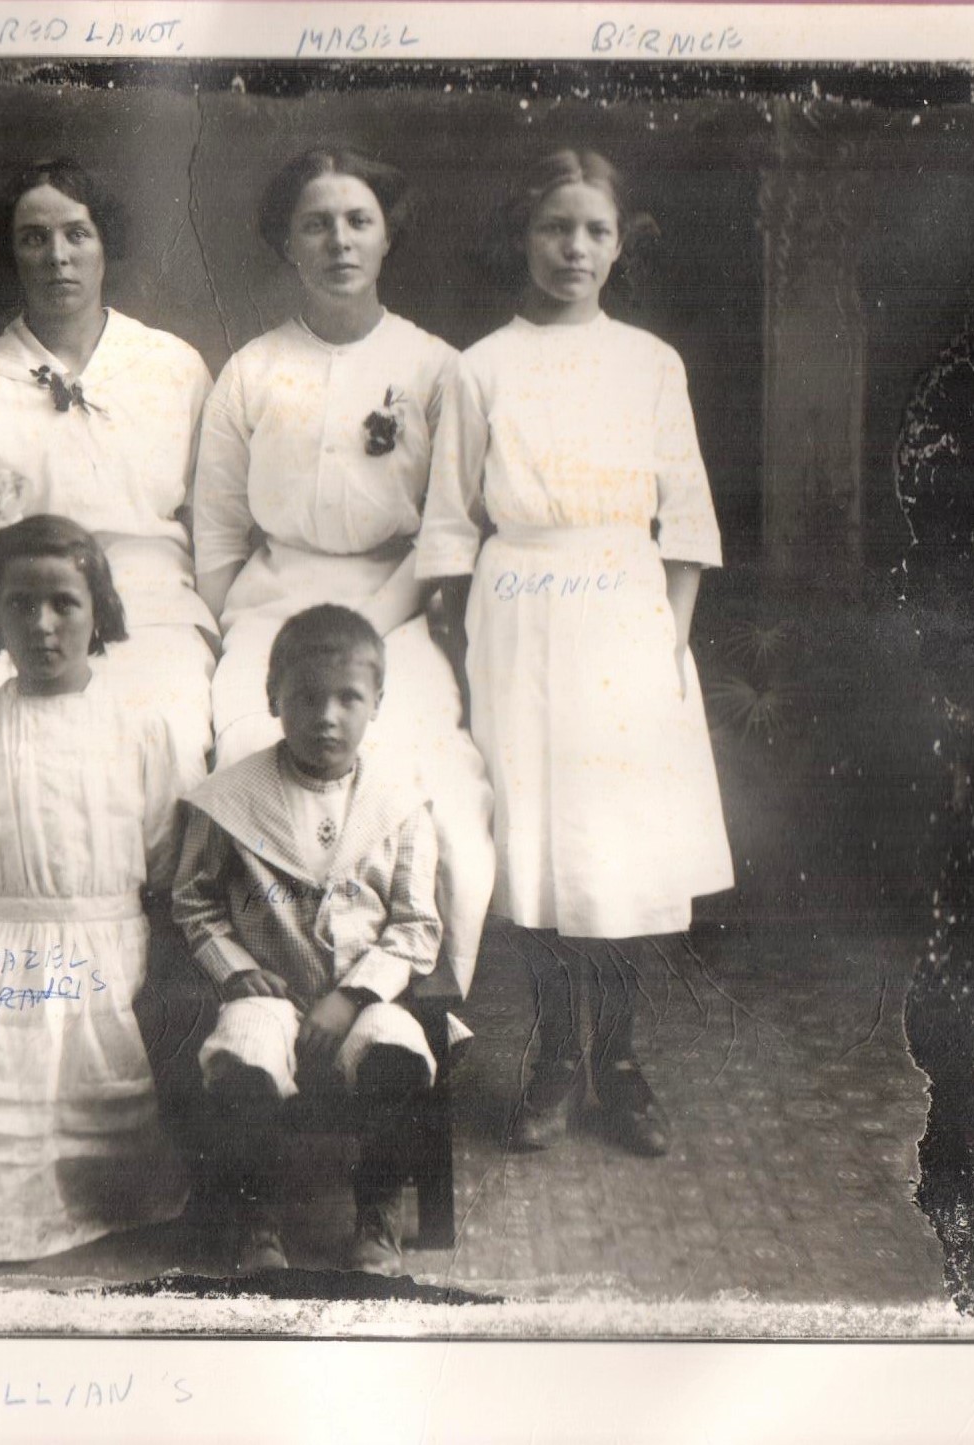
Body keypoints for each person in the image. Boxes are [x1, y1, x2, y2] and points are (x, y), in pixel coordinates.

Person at [416, 148, 734, 1157]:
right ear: (524, 236)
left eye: (596, 230)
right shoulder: (480, 367)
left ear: (619, 243)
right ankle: (556, 1056)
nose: (575, 248)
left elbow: (686, 521)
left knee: (620, 846)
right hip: (519, 618)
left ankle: (622, 1060)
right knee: (541, 845)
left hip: (626, 617)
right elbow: (450, 526)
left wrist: (665, 641)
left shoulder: (651, 363)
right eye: (556, 227)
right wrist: (464, 650)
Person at [192, 145, 495, 1019]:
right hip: (272, 605)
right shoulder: (251, 369)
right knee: (250, 762)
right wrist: (236, 629)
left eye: (358, 220)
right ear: (287, 243)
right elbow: (217, 528)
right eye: (315, 224)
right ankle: (266, 1003)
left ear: (387, 235)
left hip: (392, 607)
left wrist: (374, 622)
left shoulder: (435, 367)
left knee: (429, 778)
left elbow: (445, 530)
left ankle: (408, 1000)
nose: (338, 241)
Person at [0, 515, 190, 1261]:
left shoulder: (141, 729)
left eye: (63, 603)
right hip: (1, 955)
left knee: (106, 1125)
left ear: (99, 612)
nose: (42, 625)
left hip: (108, 950)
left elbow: (166, 867)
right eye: (20, 605)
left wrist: (153, 985)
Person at [173, 605, 441, 1277]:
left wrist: (354, 995)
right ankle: (256, 1221)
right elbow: (195, 901)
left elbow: (415, 924)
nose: (326, 716)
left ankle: (376, 1218)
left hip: (362, 995)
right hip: (269, 989)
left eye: (348, 698)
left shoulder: (400, 805)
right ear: (273, 698)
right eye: (306, 697)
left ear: (376, 703)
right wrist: (236, 971)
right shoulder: (230, 800)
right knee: (244, 1054)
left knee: (394, 1053)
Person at [0, 157, 217, 787]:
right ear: (13, 254)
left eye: (76, 234)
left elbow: (216, 522)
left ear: (103, 244)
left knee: (167, 737)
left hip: (153, 608)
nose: (57, 256)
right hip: (26, 614)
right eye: (34, 238)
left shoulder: (172, 365)